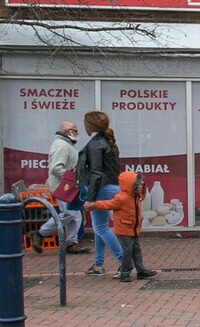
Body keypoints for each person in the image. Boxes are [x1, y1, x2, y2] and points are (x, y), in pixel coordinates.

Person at [88, 168, 157, 281]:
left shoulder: (135, 196)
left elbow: (143, 195)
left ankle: (140, 270)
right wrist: (94, 205)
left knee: (136, 250)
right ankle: (125, 272)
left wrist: (143, 187)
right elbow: (107, 204)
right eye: (138, 184)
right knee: (127, 252)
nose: (140, 186)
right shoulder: (122, 198)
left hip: (133, 229)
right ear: (131, 186)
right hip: (124, 230)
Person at [77, 110, 122, 275]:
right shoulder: (108, 142)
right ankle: (98, 264)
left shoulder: (96, 144)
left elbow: (96, 172)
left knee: (101, 227)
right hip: (110, 186)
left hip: (100, 188)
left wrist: (90, 198)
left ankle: (123, 260)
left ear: (89, 126)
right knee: (99, 228)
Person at [47, 119, 86, 252]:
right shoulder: (62, 146)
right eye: (75, 130)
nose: (77, 133)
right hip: (63, 186)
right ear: (67, 131)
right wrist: (72, 177)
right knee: (71, 214)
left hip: (67, 185)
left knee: (75, 214)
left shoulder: (66, 144)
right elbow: (56, 168)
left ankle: (71, 242)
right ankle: (42, 233)